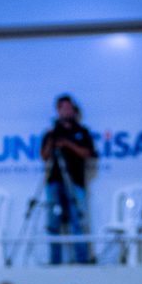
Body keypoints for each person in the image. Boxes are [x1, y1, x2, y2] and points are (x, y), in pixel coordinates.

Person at [40, 94, 96, 265]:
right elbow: (44, 156)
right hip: (54, 183)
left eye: (69, 107)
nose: (66, 111)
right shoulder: (51, 133)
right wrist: (52, 140)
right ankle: (54, 261)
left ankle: (82, 261)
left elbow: (88, 153)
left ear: (74, 109)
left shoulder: (82, 132)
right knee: (53, 223)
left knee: (78, 221)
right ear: (57, 111)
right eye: (62, 108)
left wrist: (67, 143)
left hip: (76, 183)